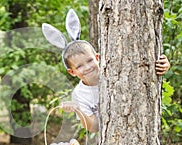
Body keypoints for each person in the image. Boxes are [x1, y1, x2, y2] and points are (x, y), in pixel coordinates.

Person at [42, 9, 171, 133]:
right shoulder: (79, 94)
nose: (87, 67)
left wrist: (163, 65)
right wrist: (78, 109)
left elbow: (142, 69)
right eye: (79, 66)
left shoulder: (115, 70)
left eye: (90, 61)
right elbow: (94, 128)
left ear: (97, 57)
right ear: (72, 72)